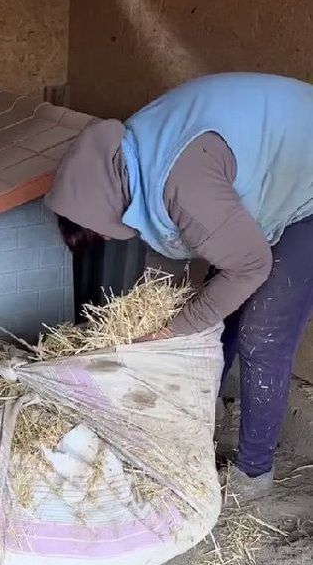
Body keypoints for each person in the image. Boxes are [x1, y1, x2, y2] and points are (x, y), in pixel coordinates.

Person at [45, 72, 313, 503]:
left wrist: (170, 333)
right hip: (275, 169)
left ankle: (254, 473)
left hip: (307, 191)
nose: (109, 237)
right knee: (218, 305)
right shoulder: (131, 153)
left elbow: (250, 266)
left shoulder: (182, 185)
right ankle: (204, 407)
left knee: (262, 332)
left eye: (102, 232)